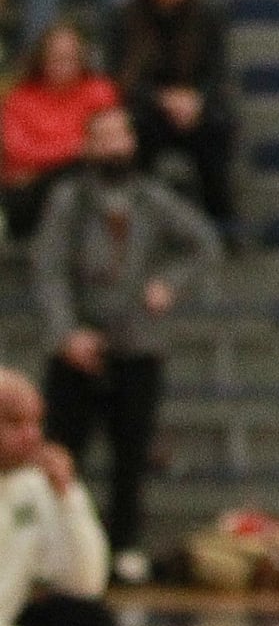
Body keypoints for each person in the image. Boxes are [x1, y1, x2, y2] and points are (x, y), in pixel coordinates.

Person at [36, 106, 223, 584]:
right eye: (103, 136)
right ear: (87, 146)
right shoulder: (69, 199)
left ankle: (125, 545)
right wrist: (65, 333)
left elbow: (202, 241)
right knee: (62, 449)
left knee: (131, 451)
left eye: (122, 134)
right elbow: (50, 269)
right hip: (80, 340)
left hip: (137, 340)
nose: (114, 145)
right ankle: (55, 550)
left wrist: (169, 284)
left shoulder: (151, 199)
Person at [108, 0, 236, 236]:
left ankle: (222, 222)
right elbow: (120, 77)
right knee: (134, 130)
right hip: (147, 109)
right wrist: (161, 99)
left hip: (196, 109)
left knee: (217, 128)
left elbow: (217, 73)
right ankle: (138, 225)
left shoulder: (208, 17)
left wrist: (196, 101)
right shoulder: (126, 19)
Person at [0, 368, 113, 626]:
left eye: (36, 422)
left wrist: (68, 495)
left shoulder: (31, 486)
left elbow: (86, 584)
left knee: (88, 620)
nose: (32, 436)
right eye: (15, 423)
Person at [2, 23, 119, 238]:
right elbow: (16, 151)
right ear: (41, 59)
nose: (63, 64)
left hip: (85, 183)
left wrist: (41, 164)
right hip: (31, 195)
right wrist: (77, 148)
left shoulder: (99, 91)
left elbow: (111, 141)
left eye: (69, 57)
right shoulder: (19, 98)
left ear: (82, 58)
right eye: (56, 57)